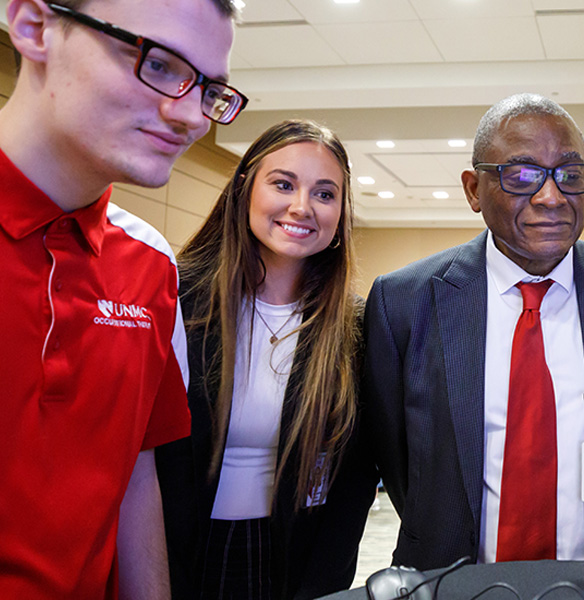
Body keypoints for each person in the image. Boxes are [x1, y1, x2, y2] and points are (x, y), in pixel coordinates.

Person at [363, 93, 584, 570]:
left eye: (569, 175)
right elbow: (397, 459)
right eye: (522, 175)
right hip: (452, 582)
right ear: (473, 189)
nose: (551, 197)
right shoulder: (402, 302)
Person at [0, 0, 243, 597]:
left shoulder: (151, 263)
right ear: (33, 26)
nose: (192, 116)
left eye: (210, 89)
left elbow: (134, 470)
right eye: (158, 64)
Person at [155, 119, 377, 600]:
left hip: (289, 562)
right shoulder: (172, 294)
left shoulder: (354, 326)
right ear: (244, 189)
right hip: (173, 552)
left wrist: (323, 587)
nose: (302, 207)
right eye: (283, 184)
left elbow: (355, 482)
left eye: (324, 193)